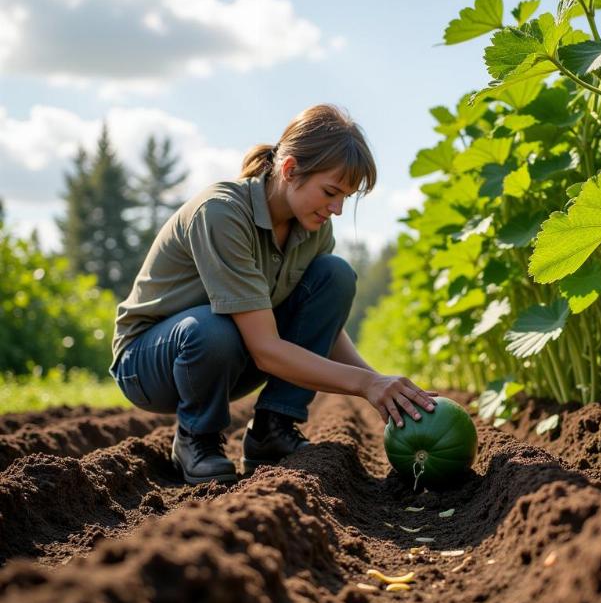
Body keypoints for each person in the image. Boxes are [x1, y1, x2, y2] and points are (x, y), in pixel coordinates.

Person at [109, 104, 437, 485]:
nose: (338, 209)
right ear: (289, 169)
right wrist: (364, 386)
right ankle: (195, 439)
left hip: (231, 353)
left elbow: (321, 325)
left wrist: (382, 384)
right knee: (210, 329)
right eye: (331, 192)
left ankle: (272, 429)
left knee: (336, 274)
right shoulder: (221, 213)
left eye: (346, 197)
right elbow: (265, 348)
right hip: (150, 363)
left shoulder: (313, 229)